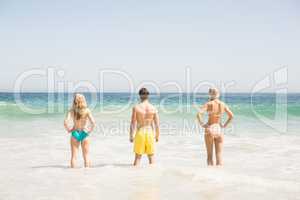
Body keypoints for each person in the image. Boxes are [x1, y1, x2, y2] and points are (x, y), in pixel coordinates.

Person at [197, 88, 233, 166]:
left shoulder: (209, 104)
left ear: (210, 94)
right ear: (218, 94)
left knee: (209, 156)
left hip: (210, 128)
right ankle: (218, 176)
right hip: (218, 129)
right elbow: (231, 116)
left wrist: (202, 124)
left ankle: (210, 175)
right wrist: (224, 125)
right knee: (219, 155)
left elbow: (199, 114)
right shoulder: (223, 104)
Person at [129, 88, 160, 166]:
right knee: (151, 156)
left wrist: (131, 136)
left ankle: (135, 176)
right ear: (148, 96)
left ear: (140, 96)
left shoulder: (136, 108)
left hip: (140, 132)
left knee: (138, 157)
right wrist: (157, 136)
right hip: (150, 132)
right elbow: (157, 124)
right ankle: (152, 175)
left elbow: (133, 123)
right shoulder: (154, 108)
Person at [64, 94, 96, 168]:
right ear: (83, 100)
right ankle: (87, 174)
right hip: (84, 133)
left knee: (74, 157)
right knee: (86, 156)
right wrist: (89, 131)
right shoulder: (87, 110)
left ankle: (72, 174)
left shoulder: (71, 111)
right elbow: (93, 123)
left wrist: (69, 130)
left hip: (75, 133)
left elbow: (65, 122)